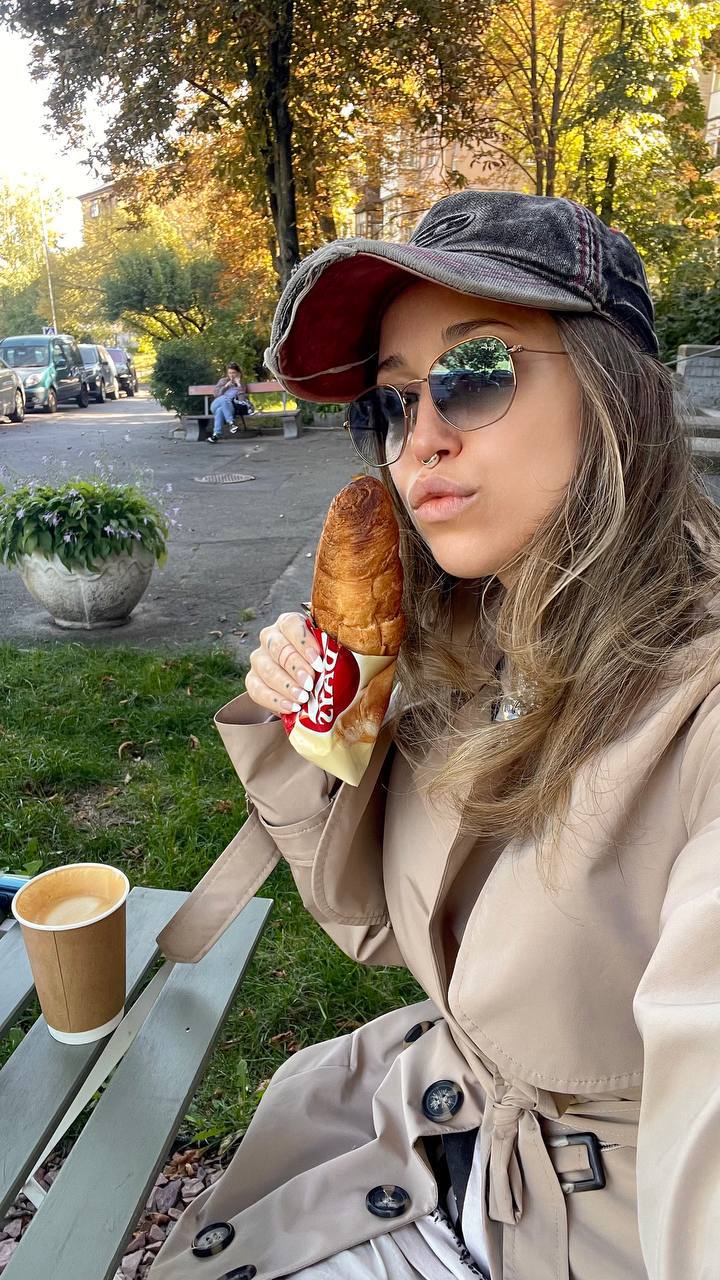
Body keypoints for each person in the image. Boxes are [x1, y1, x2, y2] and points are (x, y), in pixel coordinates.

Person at [150, 190, 720, 1280]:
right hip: (426, 1135)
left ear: (616, 391)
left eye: (476, 371)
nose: (422, 439)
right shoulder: (481, 638)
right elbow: (380, 927)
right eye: (394, 401)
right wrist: (315, 728)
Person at [209, 362, 248, 442]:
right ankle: (231, 422)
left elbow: (242, 400)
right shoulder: (223, 381)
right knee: (224, 398)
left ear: (238, 373)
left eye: (233, 373)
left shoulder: (241, 384)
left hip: (229, 408)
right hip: (216, 404)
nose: (231, 375)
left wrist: (239, 385)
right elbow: (216, 395)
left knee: (220, 410)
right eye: (230, 373)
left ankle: (216, 435)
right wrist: (226, 386)